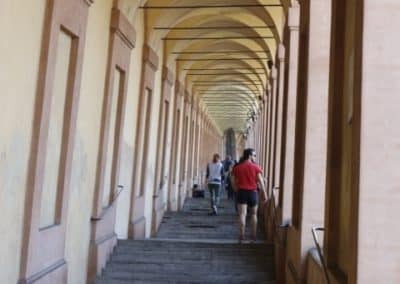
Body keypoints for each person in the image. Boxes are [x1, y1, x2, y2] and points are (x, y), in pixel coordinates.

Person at [231, 148, 266, 242]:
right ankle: (253, 236)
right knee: (254, 214)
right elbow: (261, 181)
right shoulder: (256, 167)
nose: (255, 157)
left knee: (242, 214)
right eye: (254, 155)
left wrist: (236, 190)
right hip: (253, 193)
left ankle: (241, 235)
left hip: (241, 192)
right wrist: (264, 193)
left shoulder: (237, 167)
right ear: (249, 156)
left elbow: (233, 181)